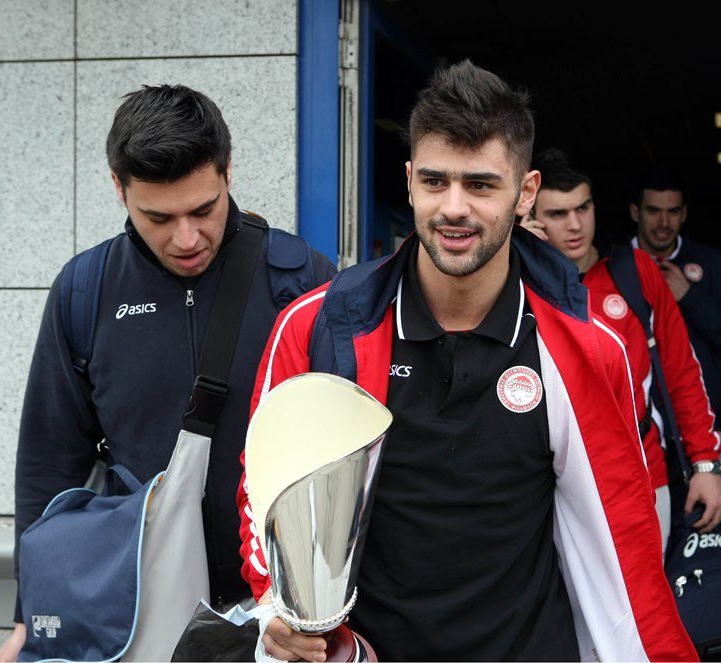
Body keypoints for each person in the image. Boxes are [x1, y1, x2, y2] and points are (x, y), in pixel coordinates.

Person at [238, 61, 696, 662]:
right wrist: (279, 606)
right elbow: (263, 491)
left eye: (480, 185)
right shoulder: (317, 327)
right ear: (409, 182)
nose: (454, 208)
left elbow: (623, 538)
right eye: (435, 181)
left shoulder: (589, 348)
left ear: (525, 193)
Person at [0, 85, 336, 662]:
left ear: (228, 171)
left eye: (204, 210)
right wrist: (29, 615)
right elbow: (48, 463)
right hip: (138, 611)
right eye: (158, 217)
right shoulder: (85, 290)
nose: (186, 239)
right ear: (118, 187)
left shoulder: (302, 281)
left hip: (277, 617)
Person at [523, 148, 721, 550]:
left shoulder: (635, 271)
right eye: (558, 214)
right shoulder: (516, 278)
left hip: (641, 475)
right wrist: (519, 256)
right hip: (546, 482)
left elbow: (682, 372)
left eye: (583, 208)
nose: (575, 225)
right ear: (530, 217)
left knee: (643, 593)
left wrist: (706, 464)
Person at [630, 168, 721, 415]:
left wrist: (691, 298)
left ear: (684, 213)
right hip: (631, 424)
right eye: (653, 211)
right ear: (635, 212)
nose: (663, 223)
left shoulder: (717, 266)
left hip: (700, 421)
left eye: (673, 212)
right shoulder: (611, 266)